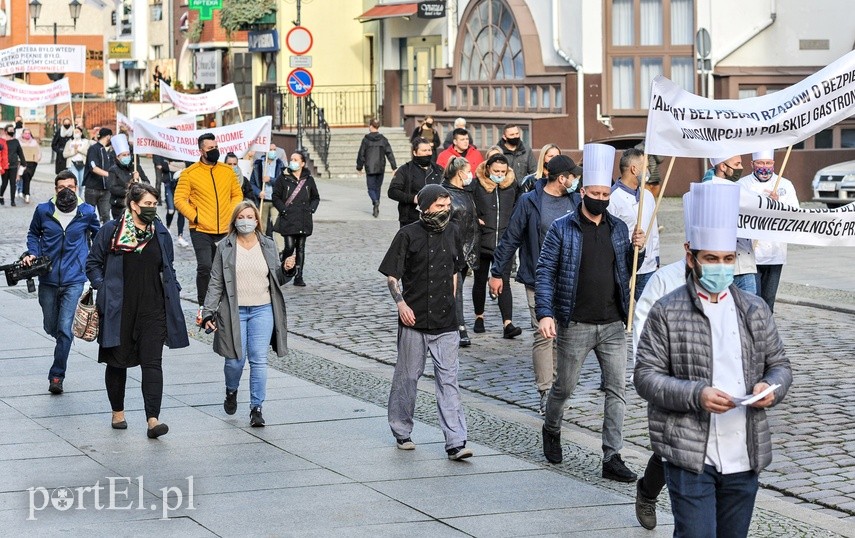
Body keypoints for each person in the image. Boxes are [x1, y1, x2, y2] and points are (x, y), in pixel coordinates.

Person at [634, 181, 792, 537]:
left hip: (743, 452)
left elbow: (780, 365)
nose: (721, 268)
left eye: (727, 259)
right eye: (711, 259)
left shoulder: (754, 309)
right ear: (691, 256)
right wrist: (697, 394)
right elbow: (645, 376)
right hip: (691, 453)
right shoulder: (667, 310)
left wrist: (772, 387)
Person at [536, 143, 644, 482]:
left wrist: (634, 250)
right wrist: (545, 313)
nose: (600, 198)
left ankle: (612, 456)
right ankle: (551, 427)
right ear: (582, 192)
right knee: (564, 389)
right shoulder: (562, 228)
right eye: (594, 192)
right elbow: (545, 271)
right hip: (576, 323)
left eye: (604, 193)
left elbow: (623, 269)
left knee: (617, 391)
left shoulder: (618, 228)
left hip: (612, 323)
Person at [85, 183, 189, 437]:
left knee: (152, 363)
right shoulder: (111, 231)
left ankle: (153, 420)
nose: (152, 209)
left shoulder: (160, 233)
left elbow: (168, 266)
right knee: (117, 362)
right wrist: (104, 287)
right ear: (133, 204)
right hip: (119, 308)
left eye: (155, 204)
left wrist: (173, 288)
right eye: (148, 204)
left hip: (153, 309)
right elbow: (92, 263)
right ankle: (117, 412)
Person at [379, 184, 473, 460]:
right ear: (426, 207)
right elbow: (392, 277)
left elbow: (456, 270)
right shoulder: (407, 235)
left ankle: (456, 441)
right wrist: (401, 304)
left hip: (446, 322)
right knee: (407, 378)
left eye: (447, 206)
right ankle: (401, 430)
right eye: (439, 206)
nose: (445, 211)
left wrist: (453, 303)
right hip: (414, 319)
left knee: (448, 380)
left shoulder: (454, 232)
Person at [489, 154, 581, 414]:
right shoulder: (530, 201)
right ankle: (545, 391)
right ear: (561, 178)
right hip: (537, 278)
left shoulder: (576, 200)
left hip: (570, 280)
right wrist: (497, 272)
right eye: (572, 176)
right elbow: (511, 238)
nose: (575, 180)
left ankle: (559, 389)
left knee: (563, 336)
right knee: (543, 334)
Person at [202, 201, 296, 427]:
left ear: (257, 221)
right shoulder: (224, 246)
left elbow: (277, 279)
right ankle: (231, 390)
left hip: (263, 309)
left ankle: (256, 408)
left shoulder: (268, 245)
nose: (246, 221)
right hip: (233, 311)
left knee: (258, 360)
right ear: (235, 220)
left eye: (250, 217)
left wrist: (286, 270)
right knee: (235, 361)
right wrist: (208, 312)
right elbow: (216, 281)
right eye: (241, 216)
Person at [631, 191, 693, 530]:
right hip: (671, 379)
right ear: (688, 250)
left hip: (713, 379)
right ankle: (648, 490)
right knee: (674, 447)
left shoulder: (731, 282)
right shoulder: (665, 279)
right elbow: (642, 323)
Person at [23, 170, 100, 394]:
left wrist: (94, 259)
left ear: (77, 188)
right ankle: (63, 340)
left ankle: (57, 375)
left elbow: (98, 236)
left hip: (75, 278)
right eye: (61, 187)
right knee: (51, 325)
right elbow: (33, 233)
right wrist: (31, 252)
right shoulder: (43, 210)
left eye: (71, 186)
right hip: (47, 276)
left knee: (65, 328)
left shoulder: (87, 212)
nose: (67, 190)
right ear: (55, 190)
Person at [174, 133, 244, 319]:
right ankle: (204, 305)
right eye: (210, 148)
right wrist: (196, 216)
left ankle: (225, 303)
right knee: (205, 266)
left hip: (224, 228)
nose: (214, 150)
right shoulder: (190, 173)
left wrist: (231, 212)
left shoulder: (227, 171)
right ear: (201, 150)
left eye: (216, 147)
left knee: (224, 266)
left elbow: (237, 194)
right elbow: (179, 200)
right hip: (200, 229)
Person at [738, 149, 799, 312]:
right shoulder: (742, 185)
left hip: (775, 253)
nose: (764, 167)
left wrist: (777, 204)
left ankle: (765, 333)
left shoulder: (784, 185)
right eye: (760, 163)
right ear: (752, 164)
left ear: (773, 164)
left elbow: (795, 214)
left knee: (768, 301)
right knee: (753, 300)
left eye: (768, 163)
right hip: (750, 254)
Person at [471, 152, 522, 339]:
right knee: (480, 279)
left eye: (502, 171)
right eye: (496, 171)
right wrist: (475, 218)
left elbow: (518, 208)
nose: (499, 174)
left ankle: (507, 323)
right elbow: (469, 204)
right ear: (488, 169)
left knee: (504, 281)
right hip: (483, 240)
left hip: (504, 243)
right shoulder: (477, 184)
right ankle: (479, 316)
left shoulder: (512, 186)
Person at [608, 148, 660, 300]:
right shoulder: (612, 198)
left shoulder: (648, 196)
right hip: (626, 270)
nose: (649, 171)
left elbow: (654, 230)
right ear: (634, 169)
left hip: (648, 269)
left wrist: (656, 258)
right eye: (646, 167)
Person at [703, 155, 757, 294]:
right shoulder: (704, 191)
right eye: (737, 164)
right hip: (718, 268)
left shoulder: (742, 189)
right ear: (723, 166)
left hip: (744, 265)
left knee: (749, 312)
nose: (741, 168)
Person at [441, 157, 479, 347]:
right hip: (451, 248)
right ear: (459, 172)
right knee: (456, 289)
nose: (470, 174)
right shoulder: (444, 192)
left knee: (458, 288)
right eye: (468, 170)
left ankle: (455, 324)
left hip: (467, 247)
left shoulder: (466, 192)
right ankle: (459, 326)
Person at [272, 150, 320, 287]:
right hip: (288, 217)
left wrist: (311, 209)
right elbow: (276, 196)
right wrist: (283, 209)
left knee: (300, 247)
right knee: (289, 246)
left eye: (296, 159)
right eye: (291, 159)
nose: (292, 162)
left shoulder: (308, 179)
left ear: (302, 163)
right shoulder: (283, 177)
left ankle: (299, 275)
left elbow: (315, 197)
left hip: (304, 217)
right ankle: (284, 266)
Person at [387, 137, 443, 228]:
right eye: (424, 150)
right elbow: (392, 192)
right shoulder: (405, 170)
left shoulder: (438, 170)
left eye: (429, 150)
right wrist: (413, 198)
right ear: (415, 152)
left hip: (436, 218)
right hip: (411, 219)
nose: (428, 153)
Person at [356, 118, 397, 218]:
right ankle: (376, 205)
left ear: (370, 126)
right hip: (380, 166)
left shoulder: (366, 140)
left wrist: (359, 167)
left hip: (369, 167)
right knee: (377, 187)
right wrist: (393, 166)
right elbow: (389, 153)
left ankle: (375, 201)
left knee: (371, 188)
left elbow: (361, 154)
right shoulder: (383, 139)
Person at [106, 134, 150, 219]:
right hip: (119, 206)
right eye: (124, 155)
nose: (127, 157)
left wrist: (138, 179)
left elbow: (147, 183)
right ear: (118, 157)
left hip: (136, 206)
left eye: (128, 154)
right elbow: (113, 188)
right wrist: (130, 189)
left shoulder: (136, 167)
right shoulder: (113, 170)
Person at [250, 144, 286, 248]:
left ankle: (280, 250)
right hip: (263, 200)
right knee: (262, 226)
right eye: (270, 149)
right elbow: (252, 183)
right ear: (266, 151)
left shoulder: (280, 164)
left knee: (277, 225)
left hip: (275, 200)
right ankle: (261, 247)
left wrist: (270, 179)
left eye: (274, 149)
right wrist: (258, 192)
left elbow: (283, 182)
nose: (273, 151)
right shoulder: (259, 164)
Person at [83, 127, 115, 223]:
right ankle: (88, 236)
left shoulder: (108, 151)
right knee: (89, 215)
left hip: (106, 190)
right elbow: (94, 167)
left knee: (106, 216)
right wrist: (109, 175)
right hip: (92, 188)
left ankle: (106, 237)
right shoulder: (94, 149)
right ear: (108, 136)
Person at [0, 125, 25, 206]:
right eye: (10, 130)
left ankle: (12, 200)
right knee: (4, 183)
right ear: (6, 131)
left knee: (13, 183)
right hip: (4, 165)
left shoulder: (16, 141)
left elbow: (20, 152)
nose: (12, 131)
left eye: (12, 130)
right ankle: (1, 196)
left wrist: (23, 162)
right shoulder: (1, 141)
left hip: (14, 165)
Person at [63, 126, 90, 195]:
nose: (76, 133)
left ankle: (80, 196)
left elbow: (88, 153)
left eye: (77, 132)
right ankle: (75, 197)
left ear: (81, 133)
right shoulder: (69, 142)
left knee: (81, 183)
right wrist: (73, 152)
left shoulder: (86, 142)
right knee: (75, 181)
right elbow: (64, 154)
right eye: (75, 132)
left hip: (82, 164)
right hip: (72, 164)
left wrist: (79, 150)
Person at [19, 128, 41, 204]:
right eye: (25, 133)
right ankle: (27, 194)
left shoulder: (34, 142)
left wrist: (38, 159)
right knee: (26, 176)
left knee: (29, 177)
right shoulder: (19, 142)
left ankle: (24, 191)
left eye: (28, 133)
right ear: (22, 134)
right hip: (23, 162)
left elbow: (38, 151)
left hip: (33, 162)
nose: (27, 134)